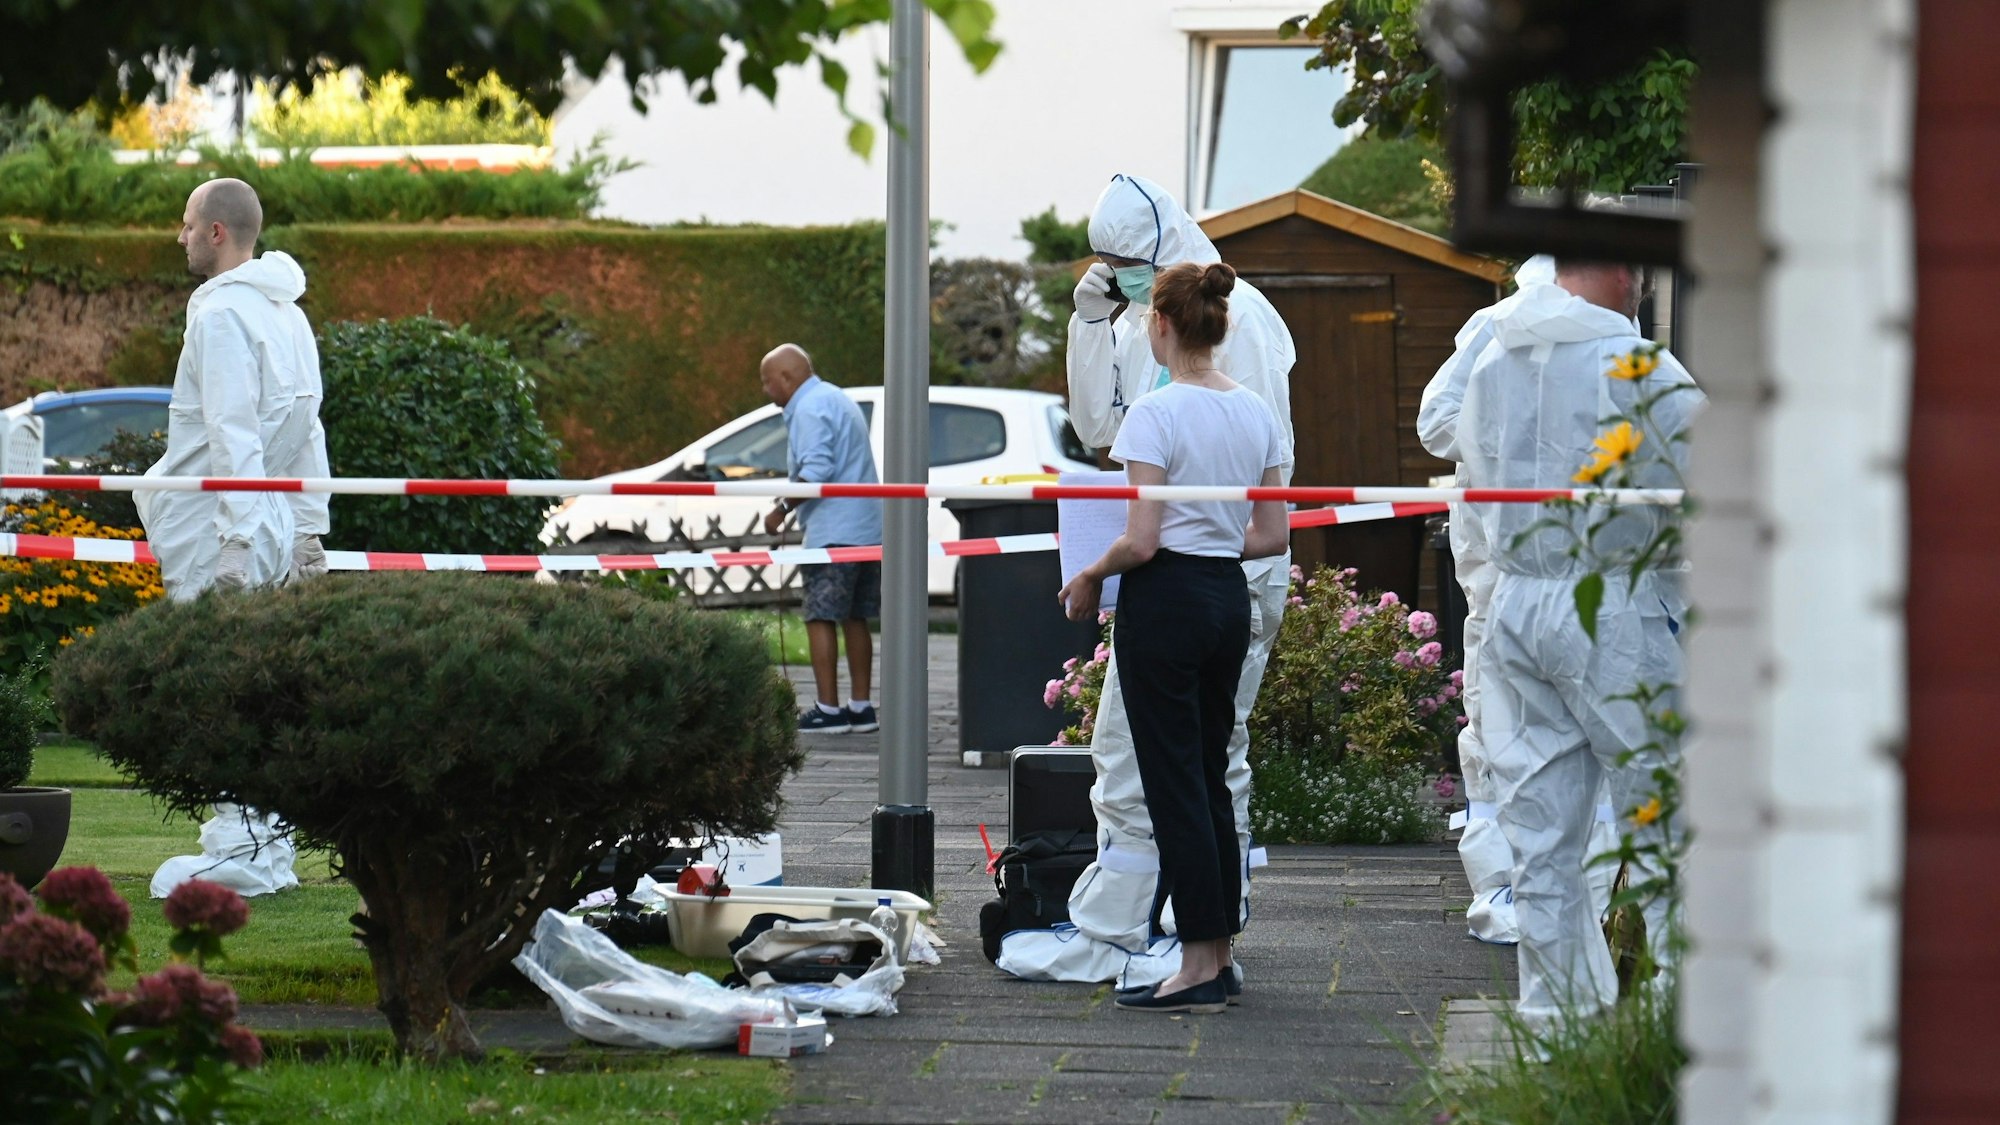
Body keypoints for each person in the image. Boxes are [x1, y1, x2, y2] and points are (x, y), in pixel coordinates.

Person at [1455, 260, 1703, 1033]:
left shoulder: (1496, 357)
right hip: (1615, 601)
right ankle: (1682, 1017)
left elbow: (1466, 456)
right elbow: (1706, 479)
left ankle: (1557, 1016)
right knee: (1665, 810)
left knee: (1541, 829)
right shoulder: (1638, 364)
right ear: (1617, 268)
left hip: (1519, 601)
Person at [1063, 174, 1297, 956]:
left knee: (1140, 752)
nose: (1114, 274)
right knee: (1205, 749)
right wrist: (1091, 328)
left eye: (1124, 262)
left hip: (1190, 575)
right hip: (1216, 574)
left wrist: (1116, 559)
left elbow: (1183, 456)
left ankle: (1119, 926)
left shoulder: (1243, 324)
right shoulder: (1142, 323)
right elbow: (1100, 426)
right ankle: (1203, 926)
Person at [142, 177, 328, 600]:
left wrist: (236, 542)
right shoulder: (289, 315)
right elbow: (306, 428)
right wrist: (307, 529)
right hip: (267, 530)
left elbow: (232, 430)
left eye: (189, 226)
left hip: (212, 533)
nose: (180, 237)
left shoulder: (221, 315)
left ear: (216, 232)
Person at [758, 343, 883, 733]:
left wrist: (780, 509)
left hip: (834, 532)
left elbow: (815, 473)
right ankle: (860, 708)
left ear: (786, 377)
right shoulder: (835, 398)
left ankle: (828, 710)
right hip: (867, 527)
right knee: (854, 616)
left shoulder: (809, 409)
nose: (765, 390)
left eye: (767, 381)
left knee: (820, 616)